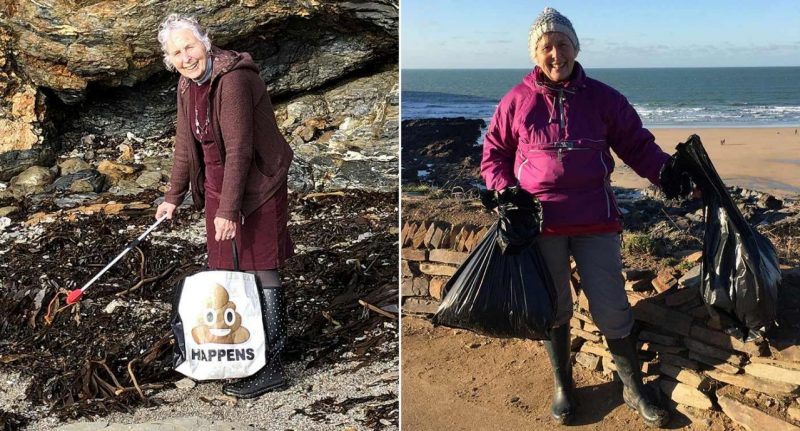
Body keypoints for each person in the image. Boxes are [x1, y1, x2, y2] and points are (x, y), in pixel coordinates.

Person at [481, 7, 691, 428]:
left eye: (562, 44)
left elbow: (637, 145)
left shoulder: (605, 98)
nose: (555, 54)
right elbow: (495, 155)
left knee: (611, 305)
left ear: (576, 47)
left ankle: (632, 386)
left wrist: (668, 173)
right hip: (539, 223)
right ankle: (564, 385)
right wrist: (503, 191)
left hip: (596, 218)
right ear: (534, 55)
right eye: (546, 47)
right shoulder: (516, 101)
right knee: (554, 305)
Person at [155, 13, 294, 399]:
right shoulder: (186, 85)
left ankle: (272, 365)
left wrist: (228, 211)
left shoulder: (233, 80)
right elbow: (186, 146)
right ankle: (238, 353)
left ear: (205, 43)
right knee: (226, 267)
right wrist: (172, 198)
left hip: (259, 180)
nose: (185, 57)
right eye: (176, 53)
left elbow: (240, 150)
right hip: (218, 182)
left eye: (189, 47)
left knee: (260, 266)